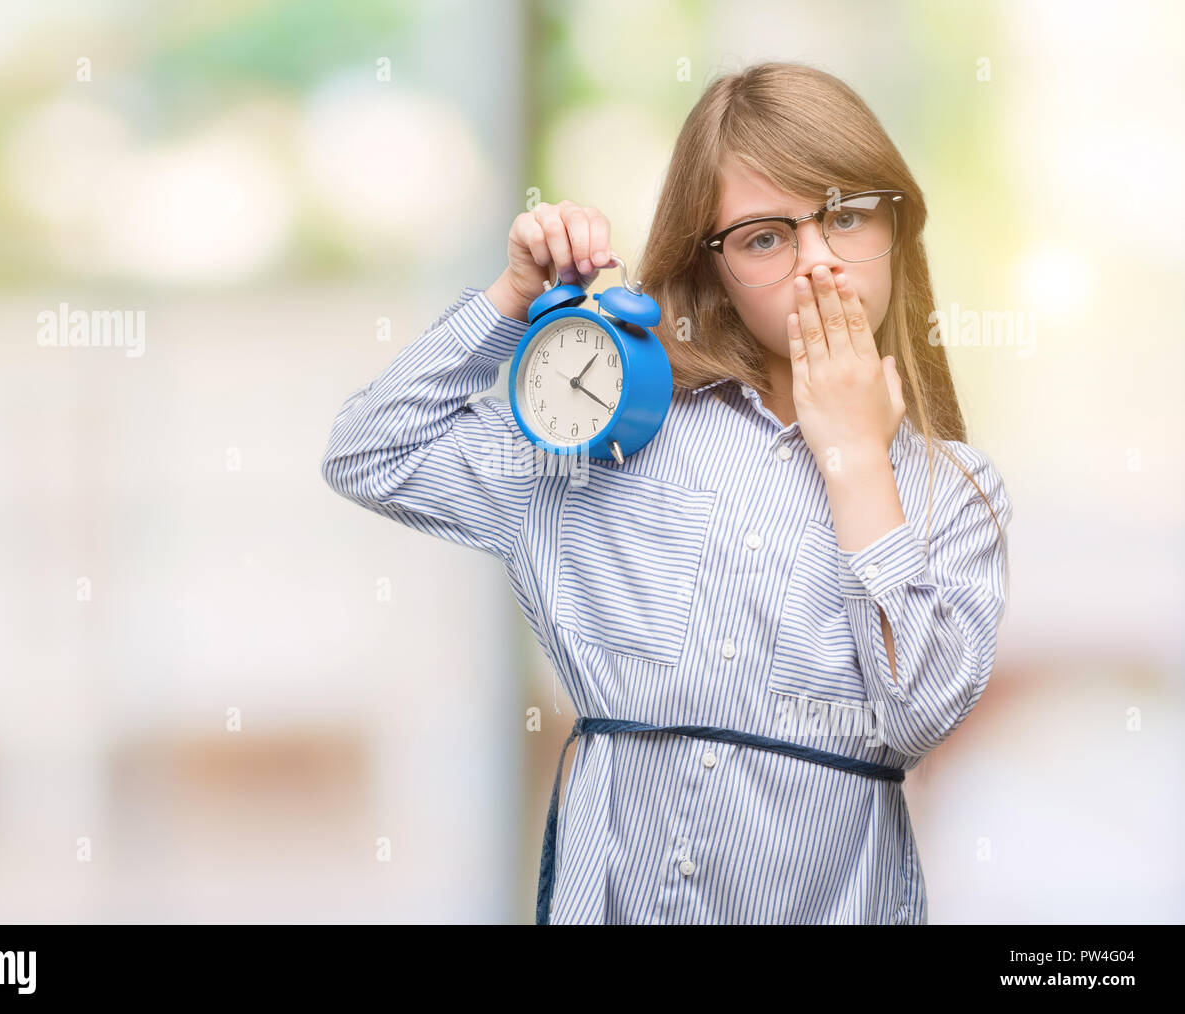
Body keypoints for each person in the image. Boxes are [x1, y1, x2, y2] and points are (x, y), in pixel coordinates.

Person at [321, 61, 1012, 924]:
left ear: (896, 226)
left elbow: (920, 717)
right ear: (711, 264)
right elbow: (371, 452)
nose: (818, 267)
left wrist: (855, 460)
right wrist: (511, 301)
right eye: (765, 237)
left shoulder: (954, 493)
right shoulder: (609, 427)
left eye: (846, 217)